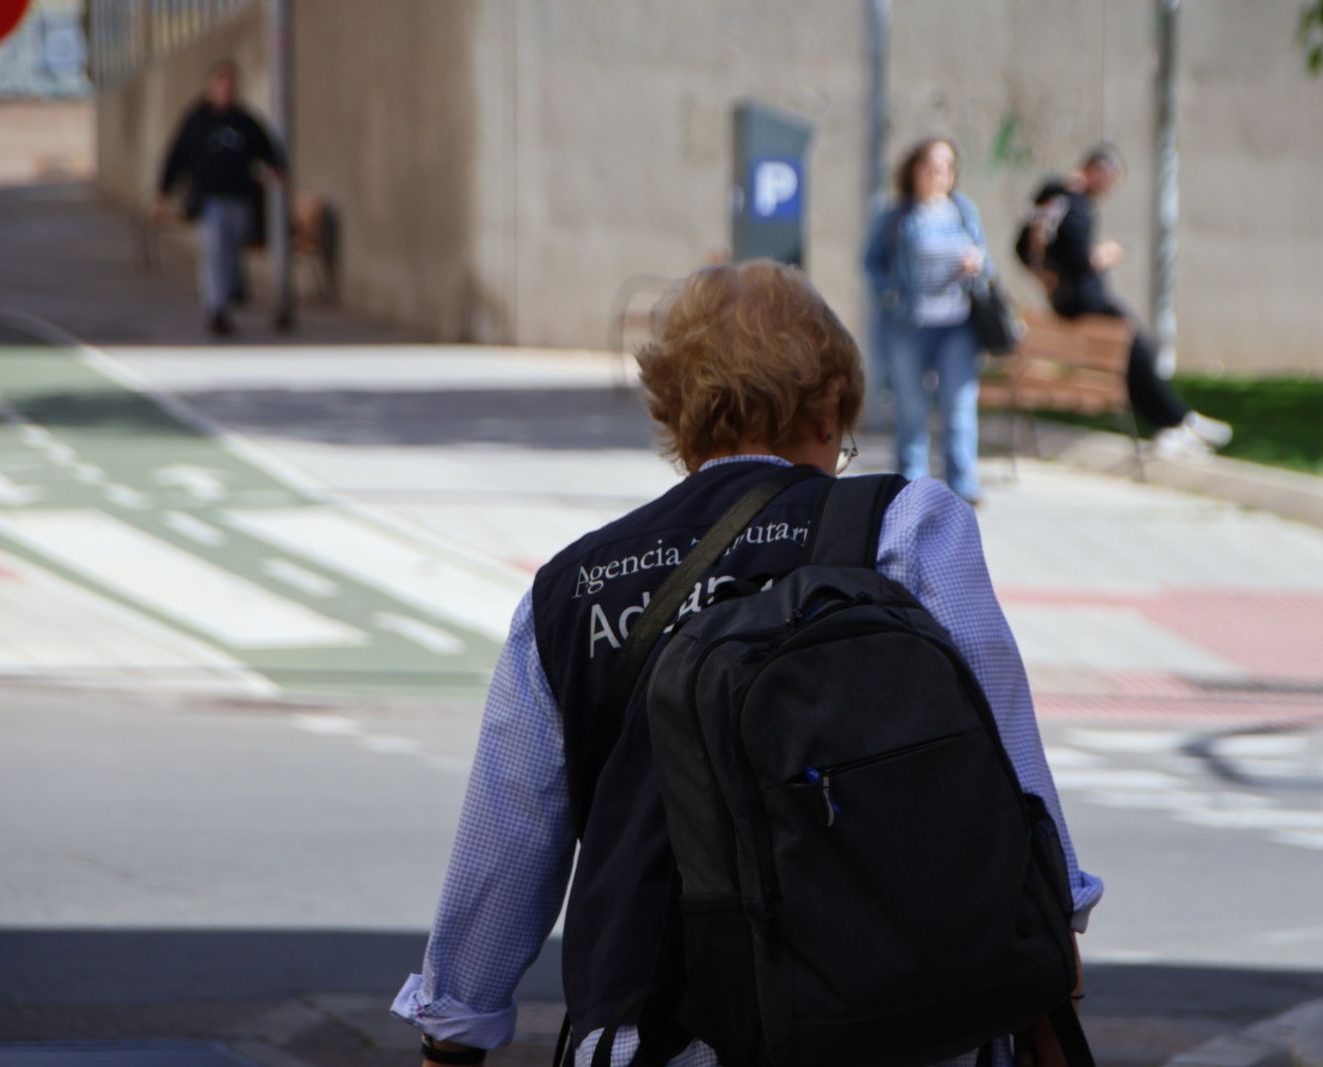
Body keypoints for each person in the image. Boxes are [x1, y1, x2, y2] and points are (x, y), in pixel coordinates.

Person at [391, 260, 1101, 1067]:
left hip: (649, 1037)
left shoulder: (571, 590)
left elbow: (508, 836)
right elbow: (1008, 757)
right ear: (833, 402)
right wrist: (1056, 926)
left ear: (675, 410)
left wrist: (455, 1029)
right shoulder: (900, 528)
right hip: (901, 1027)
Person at [1019, 143, 1232, 456]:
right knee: (1137, 349)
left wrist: (1047, 279)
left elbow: (1023, 249)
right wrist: (1104, 255)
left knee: (1133, 359)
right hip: (1084, 300)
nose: (1107, 189)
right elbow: (1077, 259)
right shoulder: (1074, 204)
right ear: (1096, 171)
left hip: (1069, 299)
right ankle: (1175, 422)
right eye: (1109, 181)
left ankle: (1176, 422)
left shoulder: (1051, 199)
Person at [864, 138, 993, 504]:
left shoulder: (963, 210)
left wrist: (978, 264)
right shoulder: (896, 216)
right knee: (911, 408)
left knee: (959, 406)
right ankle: (912, 487)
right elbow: (871, 264)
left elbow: (987, 261)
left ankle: (963, 487)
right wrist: (892, 293)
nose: (939, 173)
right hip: (909, 325)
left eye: (947, 166)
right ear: (913, 170)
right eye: (931, 165)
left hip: (958, 325)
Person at [155, 59, 287, 338]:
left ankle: (232, 288)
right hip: (210, 201)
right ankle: (216, 308)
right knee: (215, 251)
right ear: (211, 85)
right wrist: (163, 191)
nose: (226, 89)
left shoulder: (244, 121)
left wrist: (277, 168)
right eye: (221, 82)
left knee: (232, 251)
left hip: (240, 199)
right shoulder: (197, 121)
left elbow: (266, 146)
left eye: (231, 83)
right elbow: (177, 156)